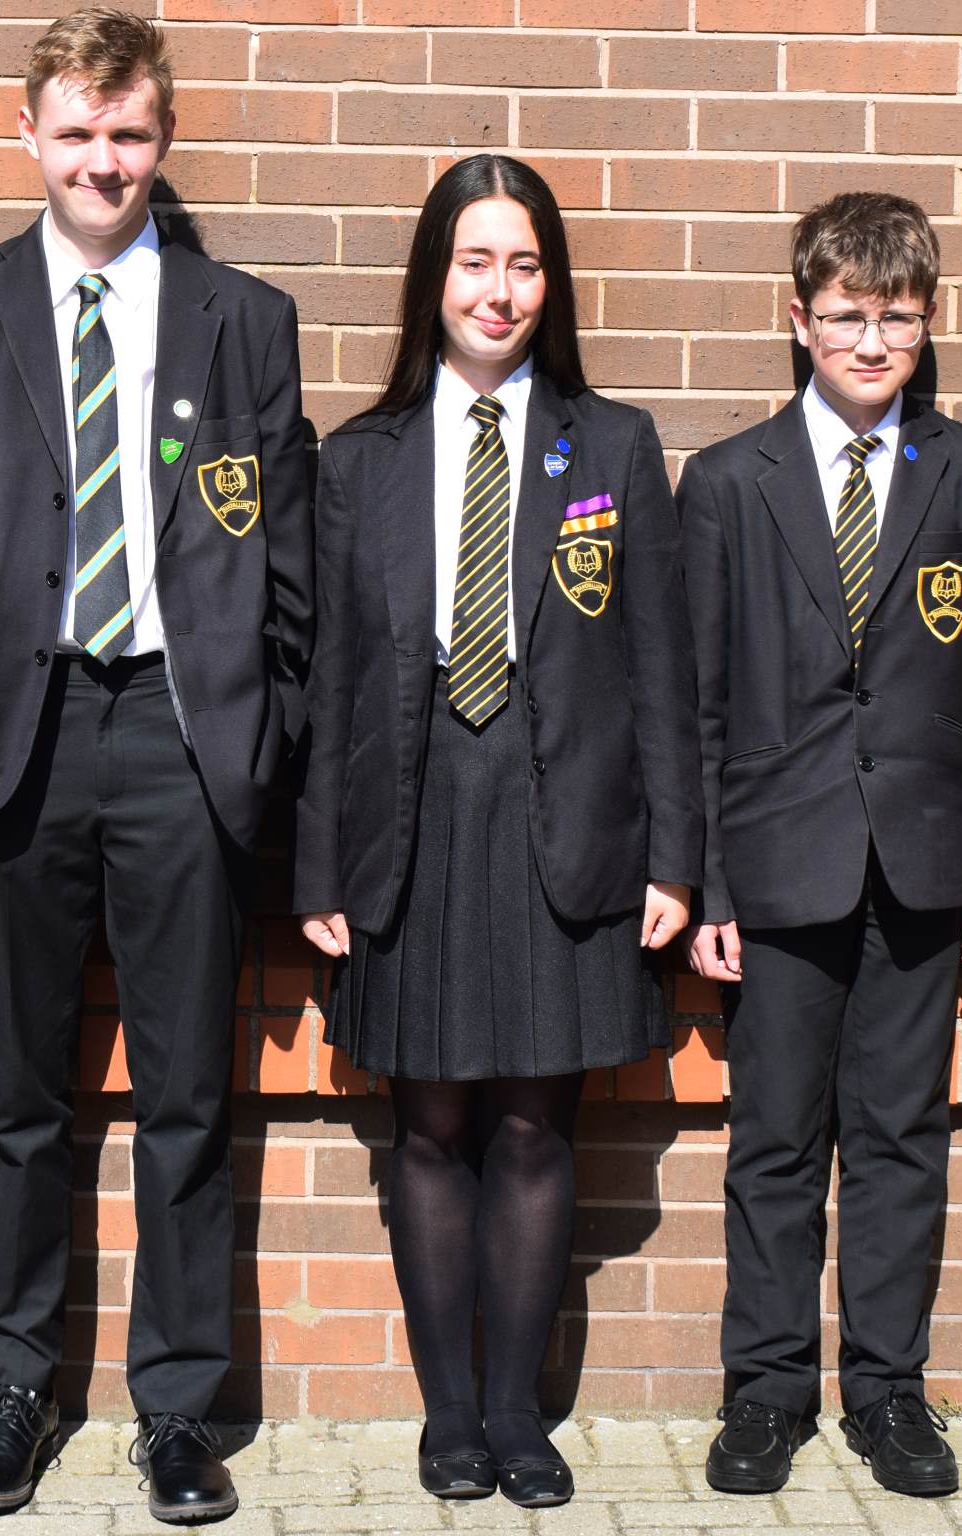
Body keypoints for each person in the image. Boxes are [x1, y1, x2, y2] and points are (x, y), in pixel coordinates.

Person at [0, 7, 311, 1522]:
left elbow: (290, 559)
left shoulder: (241, 320)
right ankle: (17, 1385)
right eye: (76, 132)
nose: (103, 161)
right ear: (27, 134)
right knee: (23, 1089)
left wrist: (256, 726)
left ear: (165, 141)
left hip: (181, 735)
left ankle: (179, 1409)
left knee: (191, 1089)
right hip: (20, 731)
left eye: (129, 135)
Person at [293, 155, 702, 1510]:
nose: (501, 289)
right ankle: (448, 1413)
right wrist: (320, 863)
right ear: (434, 279)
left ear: (553, 284)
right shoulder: (359, 460)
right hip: (412, 824)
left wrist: (676, 857)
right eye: (476, 261)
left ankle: (520, 1414)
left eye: (525, 264)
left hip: (562, 825)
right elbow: (330, 678)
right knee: (429, 1126)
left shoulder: (615, 445)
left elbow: (661, 668)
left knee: (534, 1126)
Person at [682, 192, 962, 1499]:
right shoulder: (729, 483)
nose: (870, 341)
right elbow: (701, 702)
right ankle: (766, 1394)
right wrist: (708, 877)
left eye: (895, 317)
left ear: (927, 323)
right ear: (798, 320)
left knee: (900, 1137)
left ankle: (888, 1394)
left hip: (926, 861)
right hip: (777, 866)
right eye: (844, 316)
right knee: (775, 1138)